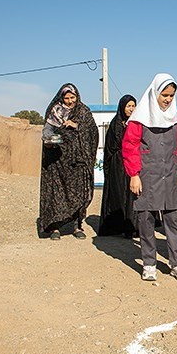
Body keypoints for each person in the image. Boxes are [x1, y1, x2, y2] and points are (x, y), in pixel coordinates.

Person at [122, 73, 177, 282]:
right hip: (147, 176)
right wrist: (134, 174)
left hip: (169, 175)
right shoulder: (139, 119)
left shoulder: (176, 119)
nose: (168, 99)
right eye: (164, 95)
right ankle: (149, 263)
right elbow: (130, 147)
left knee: (173, 220)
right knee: (146, 221)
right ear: (155, 93)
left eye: (171, 95)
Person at [38, 83, 99, 241]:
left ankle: (77, 226)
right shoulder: (55, 110)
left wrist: (77, 125)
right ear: (61, 97)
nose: (70, 101)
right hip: (57, 161)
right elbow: (47, 129)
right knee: (56, 193)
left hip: (77, 161)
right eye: (67, 98)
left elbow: (92, 131)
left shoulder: (83, 111)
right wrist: (48, 140)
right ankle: (55, 227)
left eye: (73, 97)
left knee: (79, 193)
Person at [98, 94, 138, 237]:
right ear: (122, 107)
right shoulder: (116, 124)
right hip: (118, 165)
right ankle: (119, 226)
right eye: (128, 106)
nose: (131, 109)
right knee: (120, 194)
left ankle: (132, 227)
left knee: (133, 196)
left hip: (133, 164)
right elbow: (111, 147)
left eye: (133, 106)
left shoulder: (138, 124)